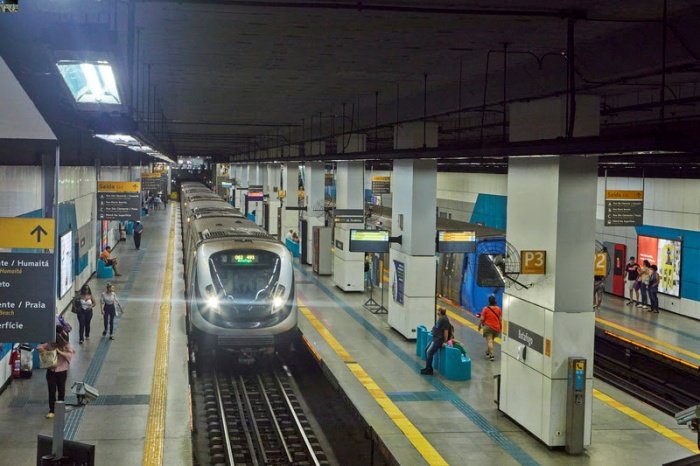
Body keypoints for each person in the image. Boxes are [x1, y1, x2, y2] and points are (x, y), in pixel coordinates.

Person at [37, 326, 75, 419]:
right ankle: (52, 410)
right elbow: (39, 347)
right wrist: (44, 350)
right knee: (51, 390)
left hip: (62, 371)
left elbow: (70, 355)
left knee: (61, 390)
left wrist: (59, 351)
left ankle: (60, 407)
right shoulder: (50, 343)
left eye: (56, 344)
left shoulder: (66, 345)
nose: (54, 345)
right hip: (51, 371)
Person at [421, 307, 451, 375]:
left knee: (429, 352)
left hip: (438, 340)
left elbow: (446, 331)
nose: (437, 311)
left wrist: (445, 341)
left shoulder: (445, 320)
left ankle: (429, 370)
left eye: (438, 310)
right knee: (426, 350)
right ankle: (428, 367)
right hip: (435, 338)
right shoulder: (441, 318)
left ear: (440, 312)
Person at [479, 295, 502, 361]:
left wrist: (479, 325)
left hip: (488, 327)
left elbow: (482, 318)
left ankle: (491, 355)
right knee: (491, 341)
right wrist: (501, 327)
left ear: (489, 301)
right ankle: (488, 352)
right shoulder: (498, 309)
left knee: (489, 341)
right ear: (495, 301)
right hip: (496, 328)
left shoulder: (485, 309)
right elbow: (500, 319)